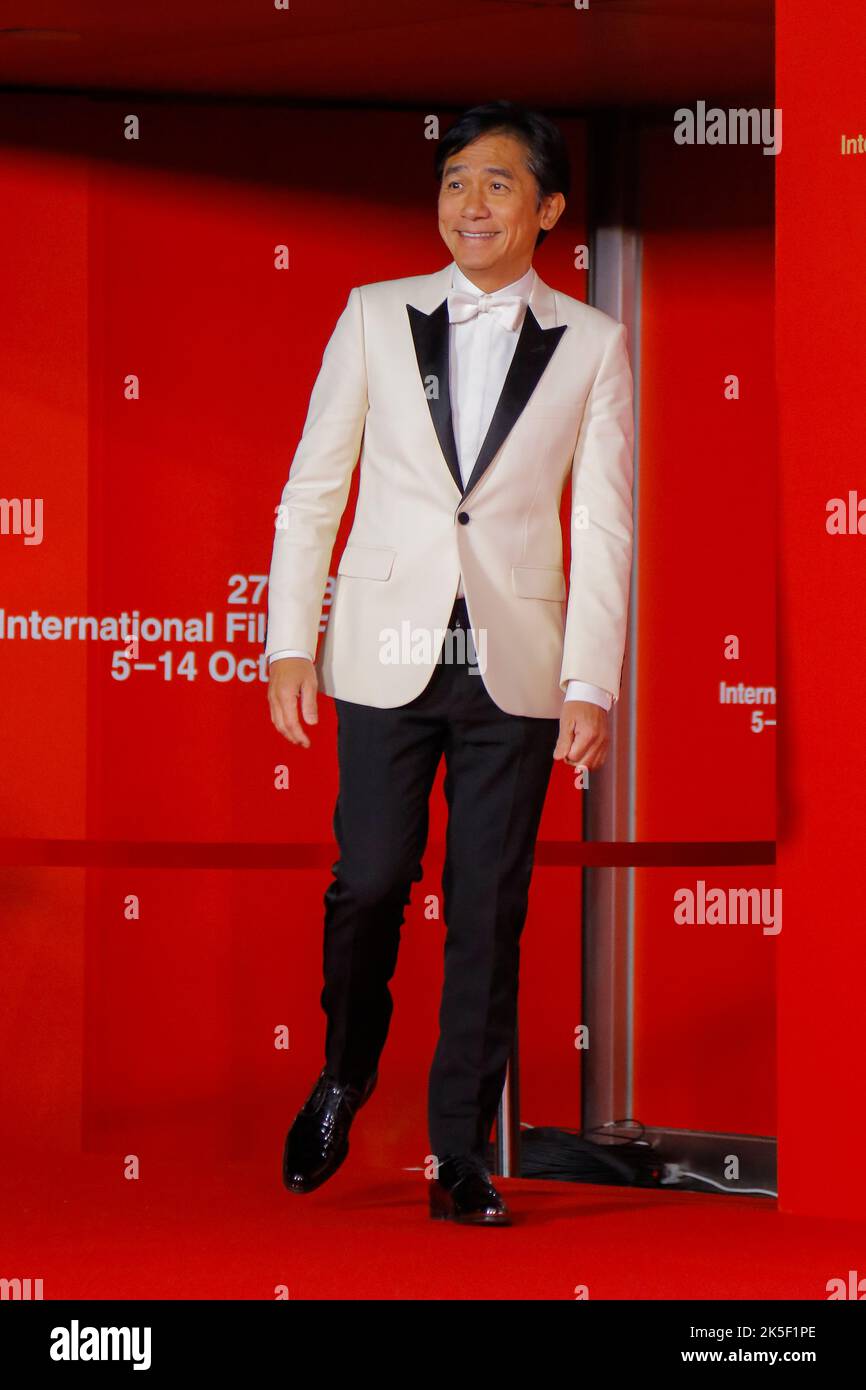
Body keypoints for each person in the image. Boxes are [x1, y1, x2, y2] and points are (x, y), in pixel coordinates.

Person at [265, 99, 634, 1226]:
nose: (469, 205)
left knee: (488, 909)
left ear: (548, 210)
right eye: (454, 183)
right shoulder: (373, 315)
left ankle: (459, 1153)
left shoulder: (592, 341)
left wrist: (590, 680)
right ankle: (343, 1067)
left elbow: (606, 521)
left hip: (515, 663)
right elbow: (313, 484)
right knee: (369, 878)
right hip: (382, 649)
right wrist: (287, 640)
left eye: (496, 185)